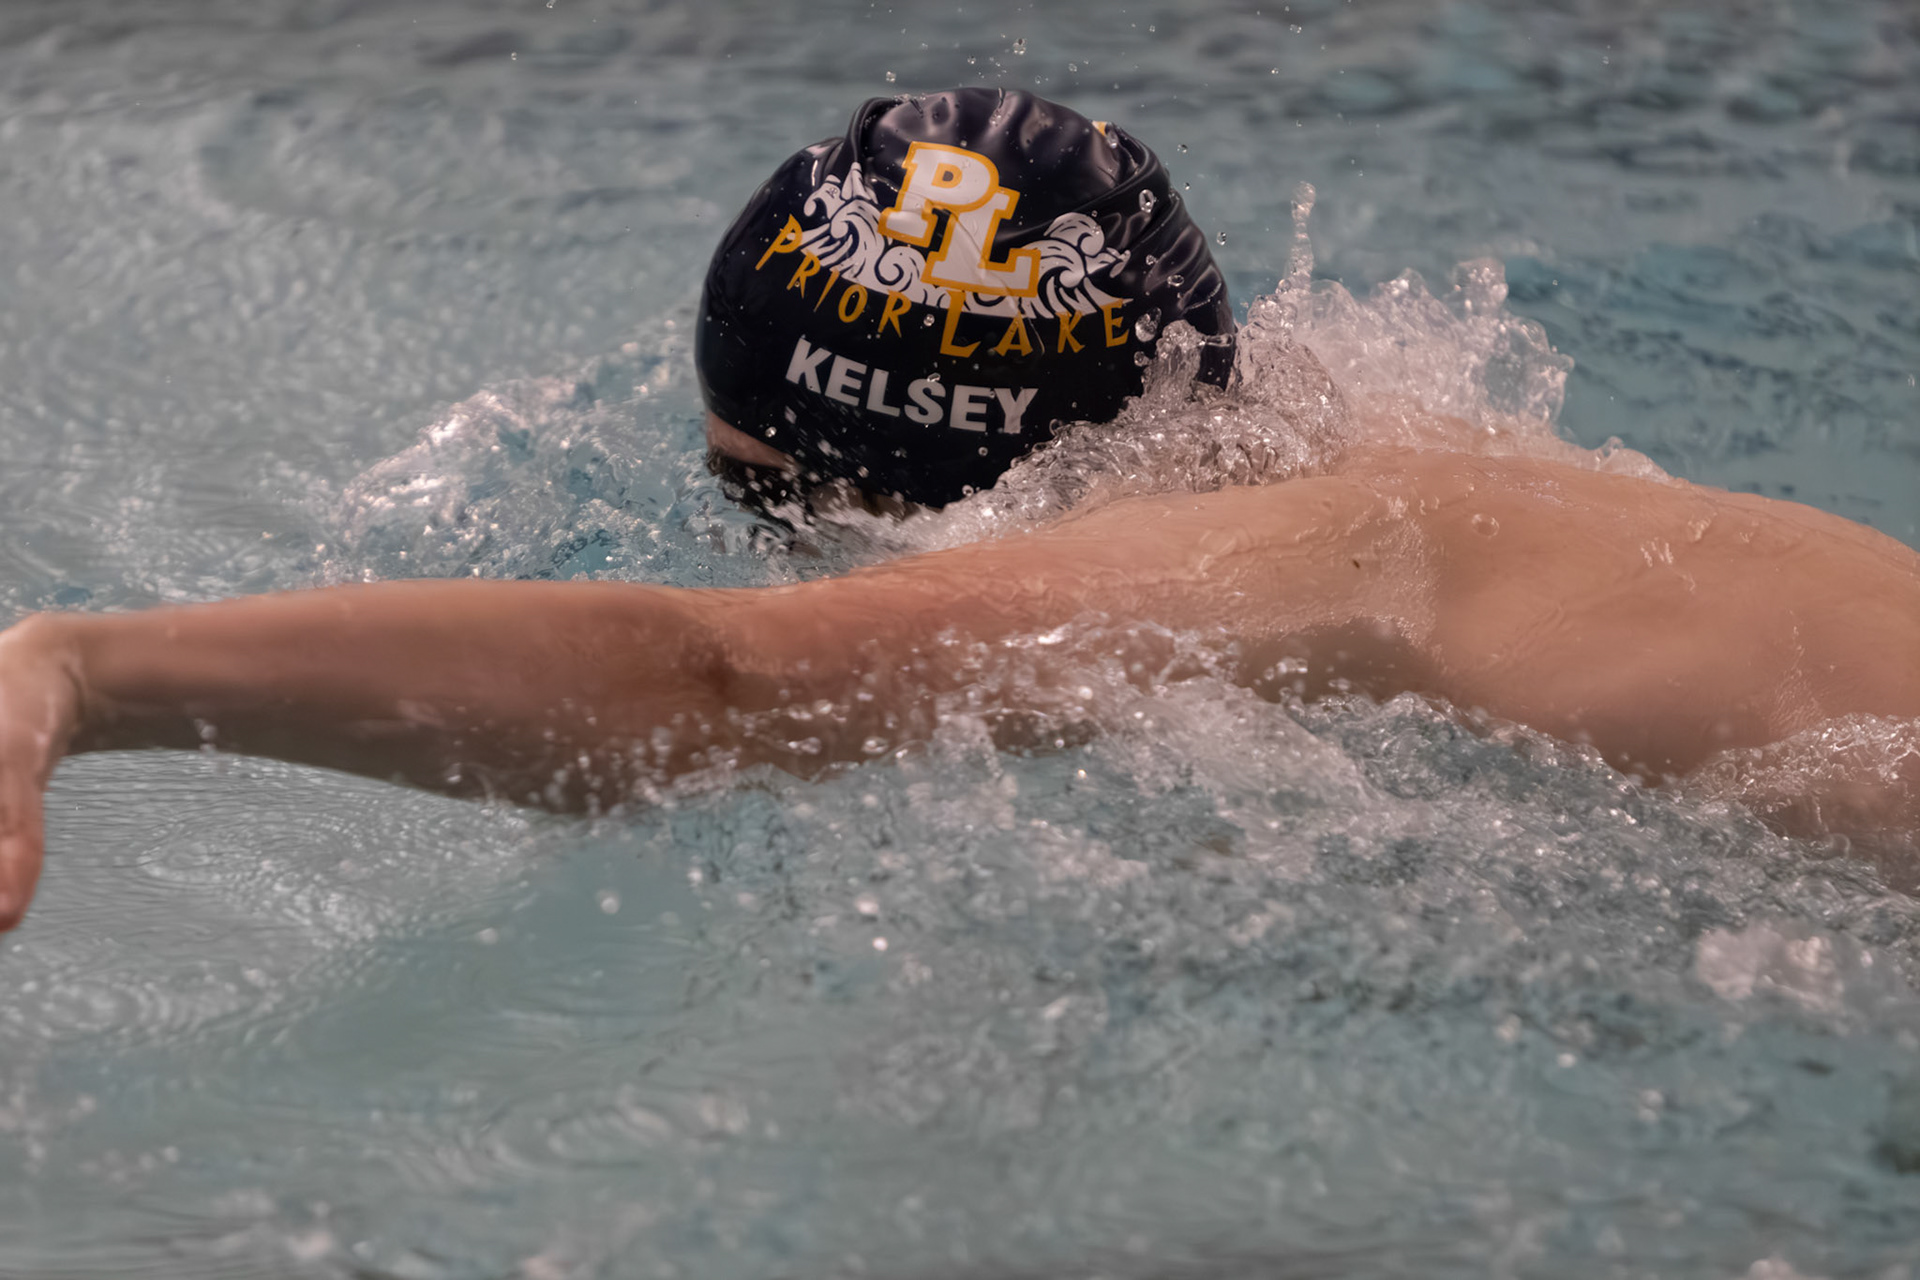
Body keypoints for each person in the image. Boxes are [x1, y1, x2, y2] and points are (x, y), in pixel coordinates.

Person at [0, 94, 1916, 932]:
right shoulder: (1416, 460)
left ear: (905, 504)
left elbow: (718, 688)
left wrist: (80, 671)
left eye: (760, 508)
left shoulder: (1271, 559)